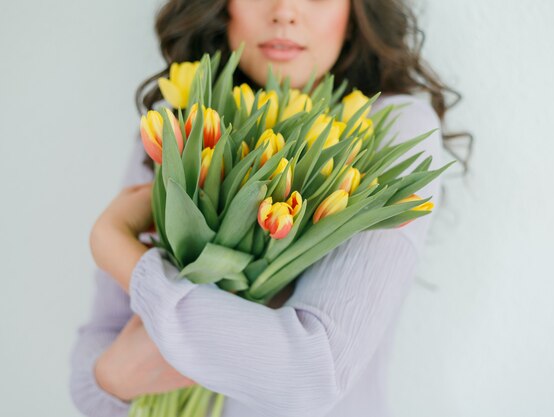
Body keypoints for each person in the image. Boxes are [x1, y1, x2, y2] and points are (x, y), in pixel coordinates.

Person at [69, 0, 463, 416]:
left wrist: (118, 251)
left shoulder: (387, 126)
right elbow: (92, 370)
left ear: (356, 14)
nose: (285, 11)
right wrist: (114, 378)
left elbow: (313, 372)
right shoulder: (181, 121)